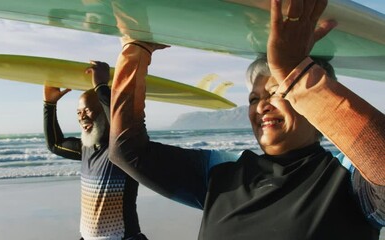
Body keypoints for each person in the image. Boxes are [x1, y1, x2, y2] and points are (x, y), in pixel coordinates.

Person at [108, 0, 384, 239]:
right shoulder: (224, 172)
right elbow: (128, 152)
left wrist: (297, 74)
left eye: (277, 92)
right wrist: (135, 51)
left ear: (311, 102)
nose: (261, 105)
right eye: (253, 99)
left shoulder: (346, 178)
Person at [43, 61, 147, 240]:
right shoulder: (86, 149)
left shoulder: (123, 149)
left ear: (104, 113)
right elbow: (55, 144)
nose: (82, 117)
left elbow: (119, 119)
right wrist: (49, 104)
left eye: (88, 110)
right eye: (78, 112)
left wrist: (101, 87)